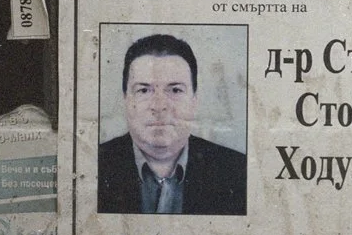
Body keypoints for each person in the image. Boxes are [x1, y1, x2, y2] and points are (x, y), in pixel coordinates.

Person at [98, 33, 247, 215]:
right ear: (125, 100)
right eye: (143, 90)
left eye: (175, 90)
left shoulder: (237, 171)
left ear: (194, 101)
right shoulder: (93, 164)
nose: (159, 106)